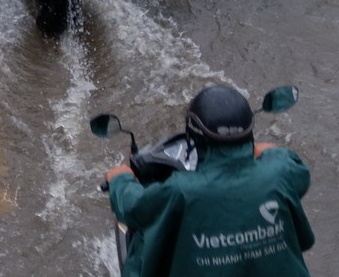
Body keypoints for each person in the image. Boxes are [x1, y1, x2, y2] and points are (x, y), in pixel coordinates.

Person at [106, 86, 315, 276]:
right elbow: (293, 165)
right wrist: (257, 150)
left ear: (194, 132)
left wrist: (120, 179)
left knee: (143, 241)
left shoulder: (181, 190)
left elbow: (134, 209)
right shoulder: (280, 171)